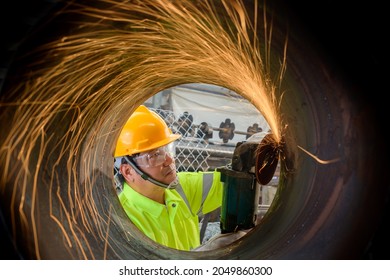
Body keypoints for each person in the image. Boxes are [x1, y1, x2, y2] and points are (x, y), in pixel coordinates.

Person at [114, 105, 223, 251]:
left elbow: (229, 181)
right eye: (155, 155)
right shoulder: (122, 221)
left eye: (167, 150)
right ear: (128, 172)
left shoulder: (181, 188)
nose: (169, 161)